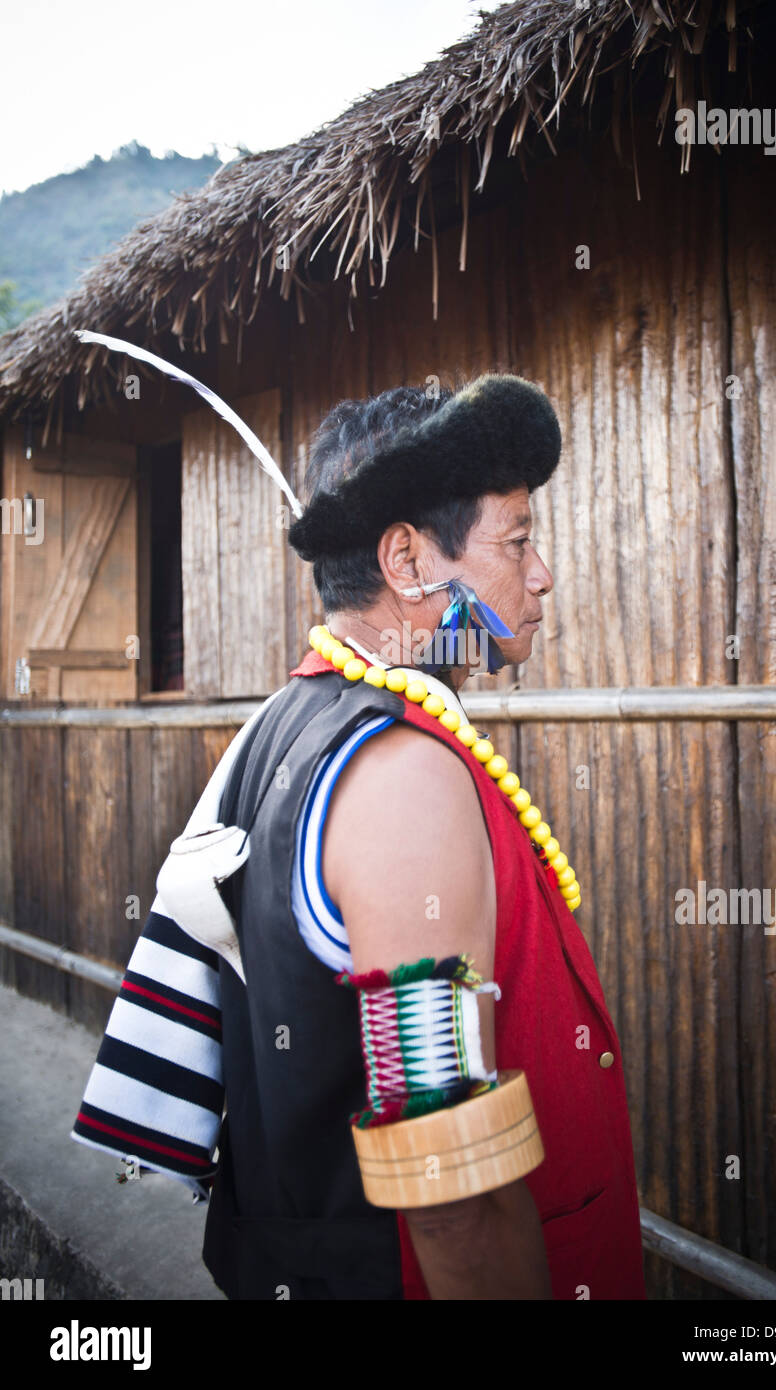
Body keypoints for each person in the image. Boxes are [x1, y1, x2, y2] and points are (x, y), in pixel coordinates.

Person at [200, 374, 647, 1300]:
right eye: (516, 539)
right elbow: (451, 1185)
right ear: (406, 563)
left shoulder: (299, 714)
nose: (540, 572)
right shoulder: (404, 776)